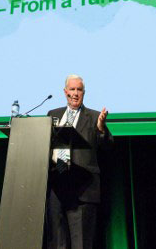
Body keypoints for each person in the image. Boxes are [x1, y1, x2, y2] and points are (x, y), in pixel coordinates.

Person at [46, 74, 111, 249]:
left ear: (84, 93)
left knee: (81, 244)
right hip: (58, 187)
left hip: (82, 188)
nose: (75, 93)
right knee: (56, 244)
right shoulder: (53, 114)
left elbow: (107, 146)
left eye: (79, 90)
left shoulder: (94, 117)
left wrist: (100, 129)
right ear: (65, 91)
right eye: (72, 89)